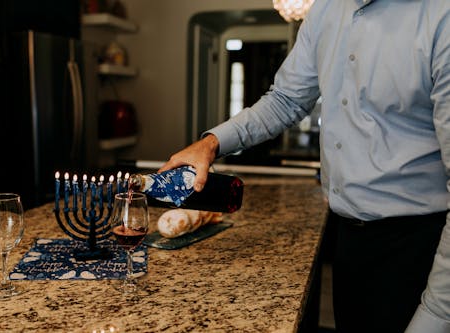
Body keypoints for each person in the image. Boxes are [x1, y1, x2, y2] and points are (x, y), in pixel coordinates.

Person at [158, 1, 450, 332]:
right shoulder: (325, 10)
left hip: (421, 245)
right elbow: (286, 100)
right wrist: (210, 144)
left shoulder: (440, 15)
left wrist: (438, 315)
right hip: (349, 239)